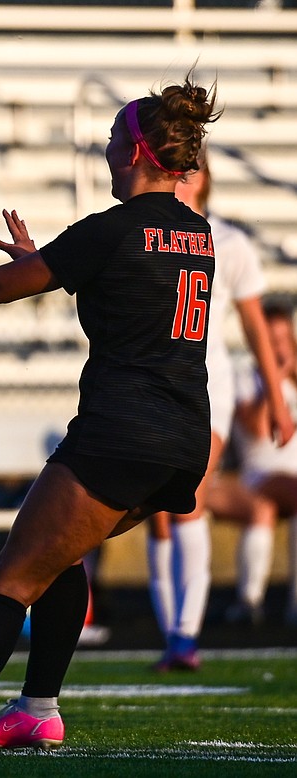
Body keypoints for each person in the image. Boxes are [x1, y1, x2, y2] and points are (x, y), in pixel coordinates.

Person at [0, 76, 220, 759]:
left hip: (121, 431)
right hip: (181, 437)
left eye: (116, 139)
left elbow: (0, 288)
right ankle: (36, 710)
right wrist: (48, 265)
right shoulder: (195, 232)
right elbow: (131, 293)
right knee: (59, 557)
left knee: (14, 576)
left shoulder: (113, 228)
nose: (108, 150)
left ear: (140, 152)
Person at [145, 151, 293, 671]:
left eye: (192, 171)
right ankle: (171, 634)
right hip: (150, 390)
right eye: (174, 172)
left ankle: (186, 635)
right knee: (159, 517)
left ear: (207, 178)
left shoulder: (229, 243)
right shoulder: (144, 236)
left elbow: (255, 326)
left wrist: (276, 397)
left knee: (189, 499)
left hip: (209, 392)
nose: (183, 182)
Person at [207, 301, 297, 626]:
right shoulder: (247, 377)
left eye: (283, 338)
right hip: (261, 473)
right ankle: (252, 602)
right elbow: (258, 431)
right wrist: (278, 377)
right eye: (270, 340)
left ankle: (255, 599)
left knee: (269, 508)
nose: (278, 347)